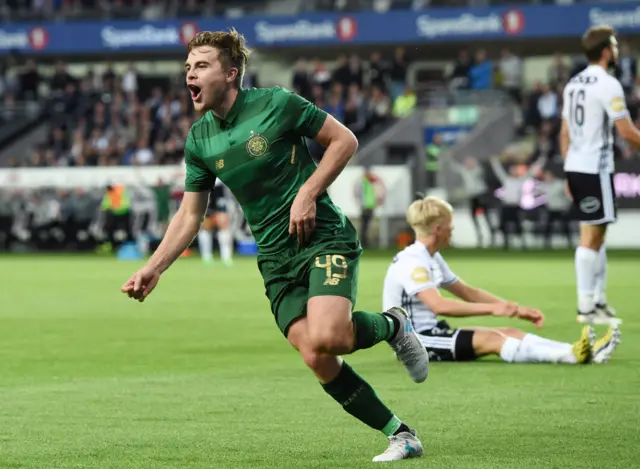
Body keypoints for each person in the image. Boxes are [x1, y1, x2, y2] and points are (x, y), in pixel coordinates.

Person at [120, 29, 428, 463]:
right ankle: (401, 434)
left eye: (201, 65)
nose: (190, 74)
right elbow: (190, 215)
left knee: (329, 336)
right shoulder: (200, 140)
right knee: (315, 354)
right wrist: (154, 267)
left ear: (230, 74)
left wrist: (307, 193)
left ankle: (394, 324)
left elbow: (344, 141)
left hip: (322, 236)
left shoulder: (277, 104)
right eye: (187, 67)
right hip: (276, 259)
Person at [383, 195, 620, 365]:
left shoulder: (431, 257)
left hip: (430, 332)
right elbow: (440, 305)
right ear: (438, 229)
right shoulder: (413, 261)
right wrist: (495, 309)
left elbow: (469, 292)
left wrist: (515, 310)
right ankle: (571, 357)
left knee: (509, 331)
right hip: (414, 343)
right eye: (450, 226)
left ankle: (581, 351)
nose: (452, 230)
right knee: (494, 340)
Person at [560, 25, 640, 325]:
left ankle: (598, 301)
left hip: (578, 166)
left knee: (597, 234)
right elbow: (627, 132)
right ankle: (586, 307)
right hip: (595, 166)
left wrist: (568, 169)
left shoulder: (573, 84)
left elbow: (564, 131)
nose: (617, 51)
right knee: (592, 237)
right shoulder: (608, 84)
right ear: (606, 51)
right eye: (615, 46)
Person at [448, 156, 495, 247]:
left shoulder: (477, 171)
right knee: (473, 216)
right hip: (472, 196)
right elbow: (455, 167)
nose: (469, 165)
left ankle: (491, 233)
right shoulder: (465, 171)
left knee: (486, 215)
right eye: (467, 163)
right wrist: (449, 156)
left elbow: (481, 168)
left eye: (471, 163)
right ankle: (479, 235)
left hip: (481, 195)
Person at [197, 179, 234, 266]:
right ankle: (206, 256)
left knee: (223, 224)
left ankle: (226, 256)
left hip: (220, 187)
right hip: (206, 186)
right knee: (206, 226)